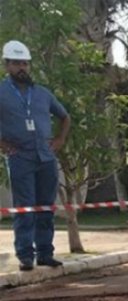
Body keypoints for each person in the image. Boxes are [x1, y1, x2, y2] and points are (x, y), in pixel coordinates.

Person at [0, 40, 71, 272]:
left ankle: (45, 253)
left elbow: (65, 117)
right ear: (7, 65)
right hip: (20, 157)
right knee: (25, 208)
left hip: (46, 157)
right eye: (17, 63)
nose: (22, 67)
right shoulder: (2, 92)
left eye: (25, 63)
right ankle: (25, 256)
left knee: (45, 208)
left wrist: (59, 140)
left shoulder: (42, 93)